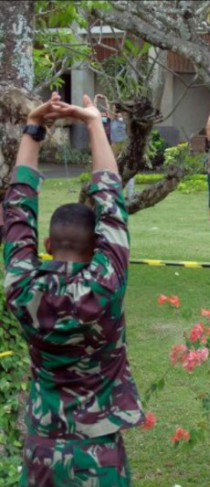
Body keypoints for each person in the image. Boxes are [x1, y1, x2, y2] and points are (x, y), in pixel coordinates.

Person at [3, 92, 145, 486]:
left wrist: (34, 129)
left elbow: (17, 210)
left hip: (42, 447)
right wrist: (94, 122)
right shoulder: (106, 282)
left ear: (47, 247)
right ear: (99, 246)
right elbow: (111, 197)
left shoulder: (22, 285)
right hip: (99, 452)